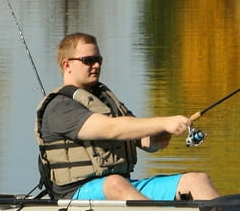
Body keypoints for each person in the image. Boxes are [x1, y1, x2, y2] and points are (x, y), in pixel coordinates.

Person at [35, 32, 220, 201]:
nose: (96, 65)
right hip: (75, 193)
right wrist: (165, 122)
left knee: (197, 180)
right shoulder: (60, 108)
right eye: (88, 60)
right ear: (67, 65)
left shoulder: (105, 102)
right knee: (115, 183)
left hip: (120, 185)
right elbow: (112, 129)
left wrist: (157, 138)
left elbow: (140, 137)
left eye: (98, 59)